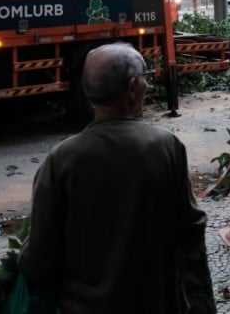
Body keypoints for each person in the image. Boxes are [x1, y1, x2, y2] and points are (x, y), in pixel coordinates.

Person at [18, 43, 216, 313]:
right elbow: (190, 235)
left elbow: (38, 260)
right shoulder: (166, 147)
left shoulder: (61, 159)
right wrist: (203, 305)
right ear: (133, 88)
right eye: (146, 77)